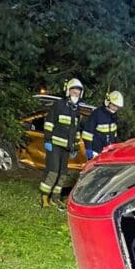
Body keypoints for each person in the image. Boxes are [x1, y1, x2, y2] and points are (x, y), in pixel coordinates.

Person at [39, 78, 84, 208]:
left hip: (67, 147)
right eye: (74, 90)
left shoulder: (76, 109)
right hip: (54, 145)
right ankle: (44, 197)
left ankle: (55, 198)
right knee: (53, 171)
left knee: (63, 173)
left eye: (78, 90)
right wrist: (47, 140)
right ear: (68, 91)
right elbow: (49, 123)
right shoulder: (59, 105)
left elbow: (76, 130)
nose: (76, 92)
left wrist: (75, 146)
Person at [82, 90, 124, 160]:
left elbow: (114, 134)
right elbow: (87, 133)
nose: (115, 108)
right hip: (95, 151)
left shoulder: (114, 116)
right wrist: (88, 148)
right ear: (108, 102)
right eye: (114, 105)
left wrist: (115, 147)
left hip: (108, 151)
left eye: (117, 107)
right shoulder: (97, 114)